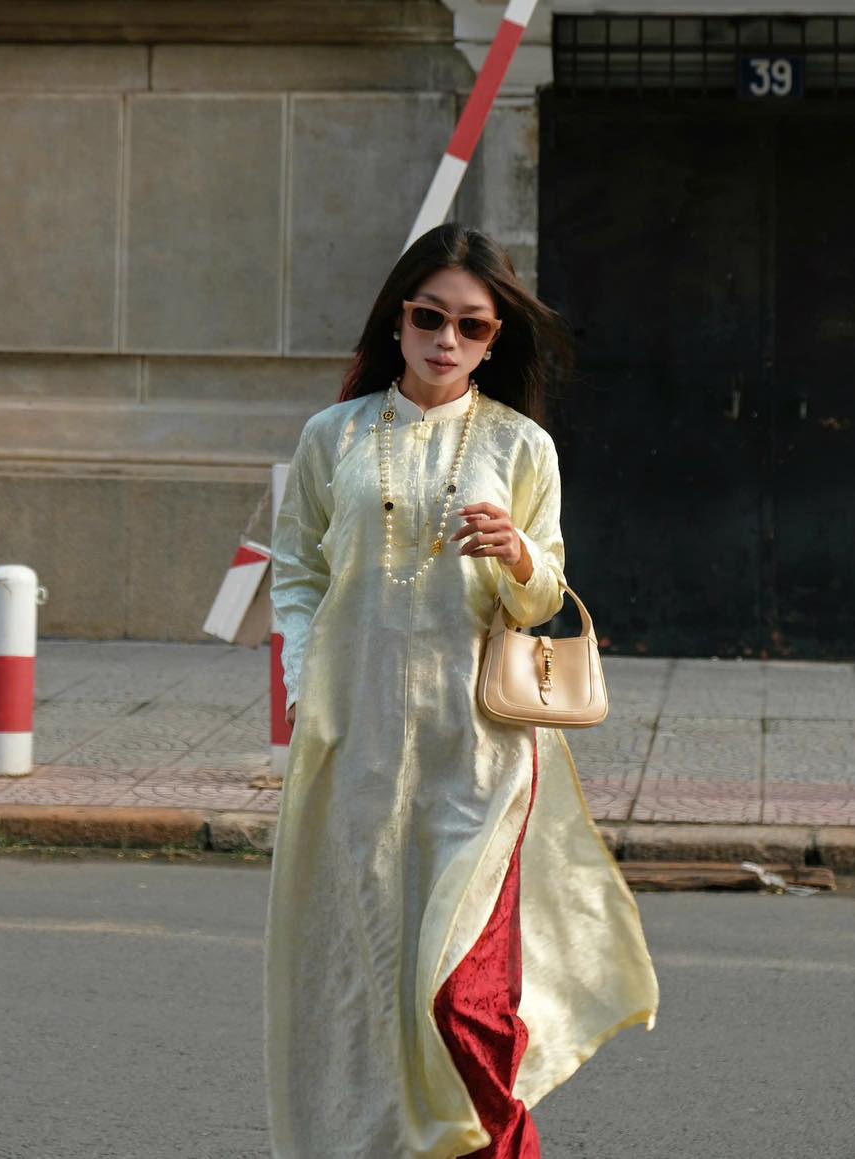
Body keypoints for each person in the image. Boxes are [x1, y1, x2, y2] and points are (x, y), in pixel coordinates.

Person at [264, 223, 659, 1159]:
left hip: (476, 751)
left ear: (494, 340)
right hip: (354, 742)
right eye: (428, 317)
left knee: (468, 1000)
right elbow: (295, 572)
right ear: (396, 320)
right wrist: (305, 678)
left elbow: (544, 596)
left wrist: (518, 553)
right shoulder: (333, 436)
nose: (447, 339)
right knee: (370, 977)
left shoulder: (521, 447)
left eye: (471, 327)